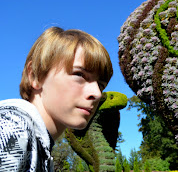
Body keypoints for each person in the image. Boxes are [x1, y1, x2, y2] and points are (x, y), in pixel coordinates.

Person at [0, 27, 113, 171]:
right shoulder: (11, 128)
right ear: (35, 75)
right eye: (79, 74)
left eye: (101, 85)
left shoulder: (40, 150)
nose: (97, 93)